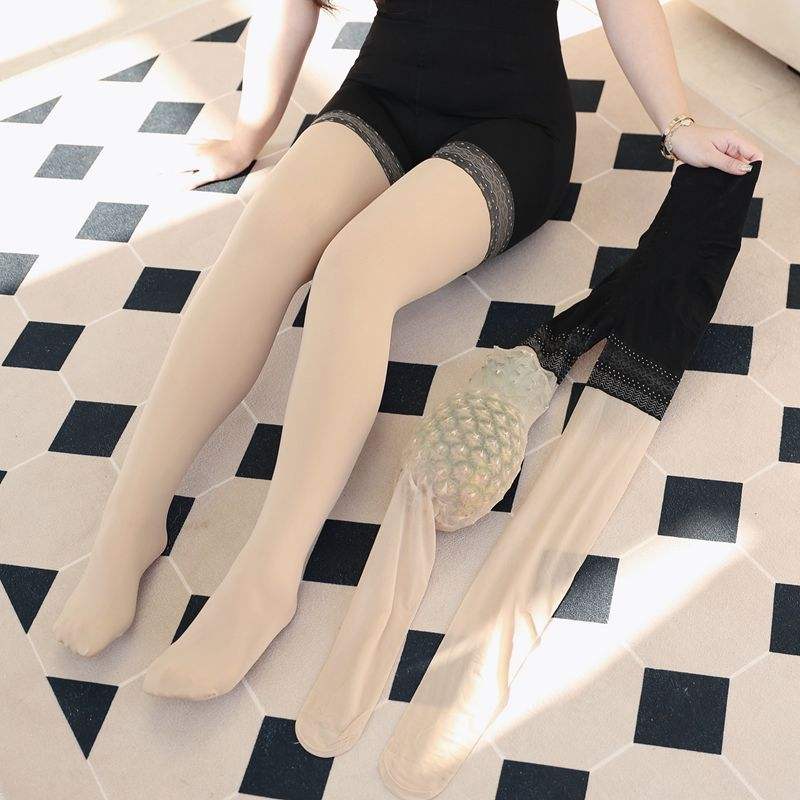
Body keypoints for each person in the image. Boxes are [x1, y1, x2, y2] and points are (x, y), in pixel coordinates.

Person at [52, 0, 762, 701]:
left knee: (354, 271)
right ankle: (134, 515)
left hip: (513, 125)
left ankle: (268, 574)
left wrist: (679, 126)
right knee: (260, 241)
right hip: (382, 95)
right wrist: (246, 137)